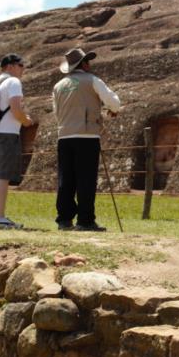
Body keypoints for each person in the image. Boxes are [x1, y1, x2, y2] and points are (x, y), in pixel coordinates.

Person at [52, 47, 122, 231]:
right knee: (86, 179)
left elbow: (56, 113)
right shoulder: (92, 80)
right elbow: (114, 102)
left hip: (64, 136)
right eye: (87, 61)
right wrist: (112, 111)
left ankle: (64, 219)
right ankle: (85, 220)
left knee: (66, 179)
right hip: (87, 135)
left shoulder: (58, 86)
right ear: (83, 64)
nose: (89, 64)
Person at [0, 54, 34, 229]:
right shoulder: (13, 82)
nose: (23, 68)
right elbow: (16, 109)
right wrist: (26, 121)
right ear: (10, 66)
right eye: (21, 65)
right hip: (7, 134)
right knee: (3, 176)